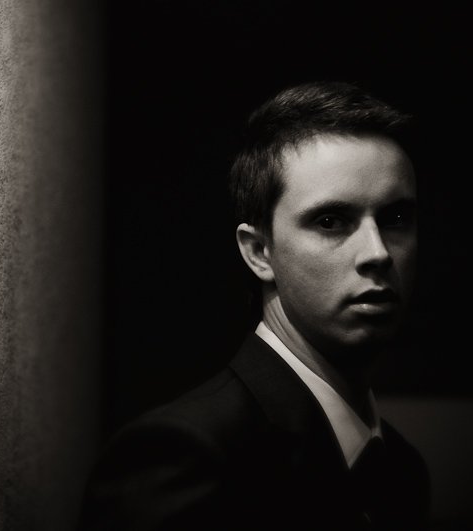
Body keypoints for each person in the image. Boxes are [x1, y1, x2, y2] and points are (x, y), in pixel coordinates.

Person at [79, 82, 430, 530]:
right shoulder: (186, 456)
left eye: (395, 218)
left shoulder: (401, 470)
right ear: (260, 252)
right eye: (330, 221)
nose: (378, 252)